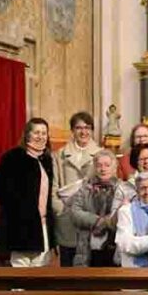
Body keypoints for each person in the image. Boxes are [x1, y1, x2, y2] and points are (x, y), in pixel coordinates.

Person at [0, 118, 57, 267]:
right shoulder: (13, 157)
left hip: (43, 225)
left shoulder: (47, 160)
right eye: (36, 132)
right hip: (20, 225)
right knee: (20, 271)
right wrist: (18, 210)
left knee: (41, 269)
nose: (40, 136)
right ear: (27, 134)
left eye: (44, 133)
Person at [52, 111, 103, 267]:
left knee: (92, 272)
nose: (83, 132)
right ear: (72, 130)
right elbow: (53, 188)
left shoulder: (101, 154)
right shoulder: (59, 155)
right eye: (79, 127)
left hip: (91, 218)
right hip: (67, 219)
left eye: (87, 127)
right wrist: (61, 210)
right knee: (68, 268)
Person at [69, 149, 121, 267]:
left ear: (114, 167)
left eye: (107, 165)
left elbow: (124, 214)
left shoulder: (122, 188)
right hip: (88, 247)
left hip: (114, 246)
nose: (103, 169)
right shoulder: (85, 188)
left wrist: (108, 222)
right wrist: (98, 221)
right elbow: (75, 212)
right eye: (99, 165)